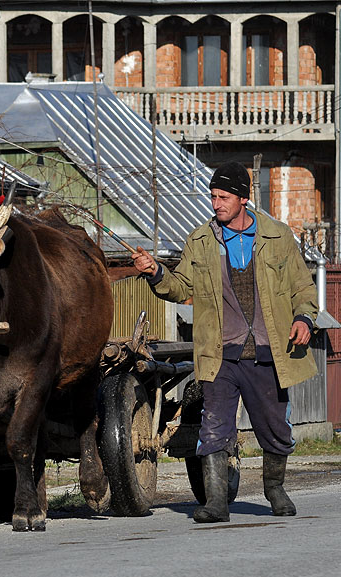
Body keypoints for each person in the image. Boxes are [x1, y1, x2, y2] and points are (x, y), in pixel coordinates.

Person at [132, 161, 318, 523]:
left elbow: (303, 288)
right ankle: (216, 501)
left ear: (243, 198)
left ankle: (275, 489)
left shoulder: (278, 237)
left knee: (276, 428)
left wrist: (303, 318)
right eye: (213, 196)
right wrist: (156, 272)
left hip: (268, 353)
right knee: (214, 426)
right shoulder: (200, 241)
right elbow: (181, 287)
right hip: (219, 354)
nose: (215, 204)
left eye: (223, 197)